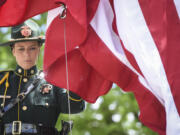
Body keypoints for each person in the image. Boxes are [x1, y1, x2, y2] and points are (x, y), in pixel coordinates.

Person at [0, 19, 85, 135]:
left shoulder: (53, 81)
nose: (27, 54)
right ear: (13, 51)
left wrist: (75, 77)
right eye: (21, 49)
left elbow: (75, 107)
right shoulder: (2, 81)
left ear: (39, 49)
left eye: (32, 48)